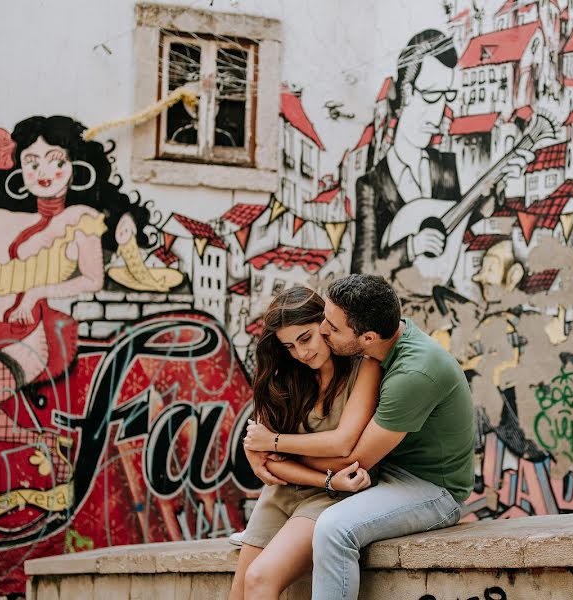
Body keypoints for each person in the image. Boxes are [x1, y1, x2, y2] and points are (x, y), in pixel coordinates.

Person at [0, 115, 156, 473]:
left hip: (30, 341)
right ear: (18, 170)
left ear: (75, 166)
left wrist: (36, 291)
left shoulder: (79, 219)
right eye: (32, 162)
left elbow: (91, 280)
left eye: (56, 160)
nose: (45, 172)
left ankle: (35, 442)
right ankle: (36, 442)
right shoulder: (4, 220)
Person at [248, 274, 474, 599]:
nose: (324, 331)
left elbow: (349, 459)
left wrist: (272, 447)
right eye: (325, 318)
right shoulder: (386, 333)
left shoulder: (413, 373)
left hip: (431, 489)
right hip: (386, 475)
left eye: (332, 328)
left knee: (334, 528)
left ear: (367, 338)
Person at [230, 286, 382, 600]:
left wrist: (273, 441)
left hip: (333, 499)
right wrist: (327, 478)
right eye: (289, 346)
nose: (302, 353)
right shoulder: (287, 377)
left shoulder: (364, 368)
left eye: (306, 338)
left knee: (260, 579)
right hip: (286, 491)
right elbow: (271, 464)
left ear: (325, 325)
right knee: (239, 592)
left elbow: (343, 447)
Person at [352, 30, 461, 277]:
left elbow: (462, 223)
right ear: (407, 92)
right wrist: (411, 247)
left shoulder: (446, 168)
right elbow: (363, 271)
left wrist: (497, 187)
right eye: (432, 96)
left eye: (448, 96)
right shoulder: (371, 184)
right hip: (391, 313)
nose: (438, 114)